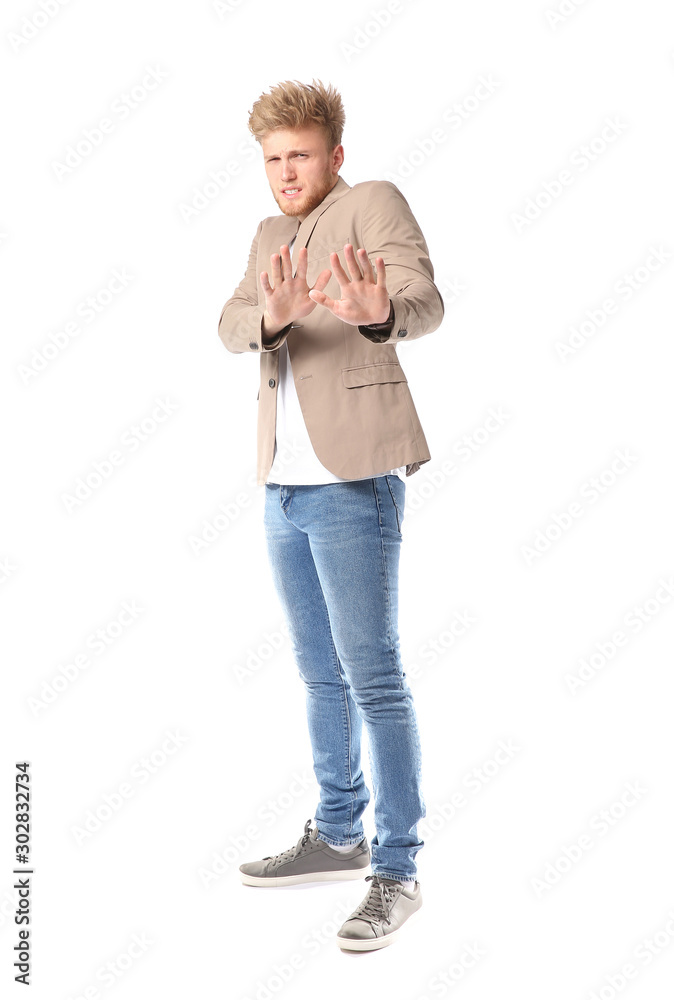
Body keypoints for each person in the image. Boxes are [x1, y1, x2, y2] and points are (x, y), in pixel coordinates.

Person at [217, 79, 444, 951]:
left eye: (300, 155)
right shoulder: (269, 234)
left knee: (374, 679)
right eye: (273, 159)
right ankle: (339, 832)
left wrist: (379, 310)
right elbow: (231, 321)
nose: (284, 173)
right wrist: (269, 322)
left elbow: (425, 297)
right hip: (283, 480)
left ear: (334, 156)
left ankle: (396, 867)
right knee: (319, 675)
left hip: (354, 482)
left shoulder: (373, 203)